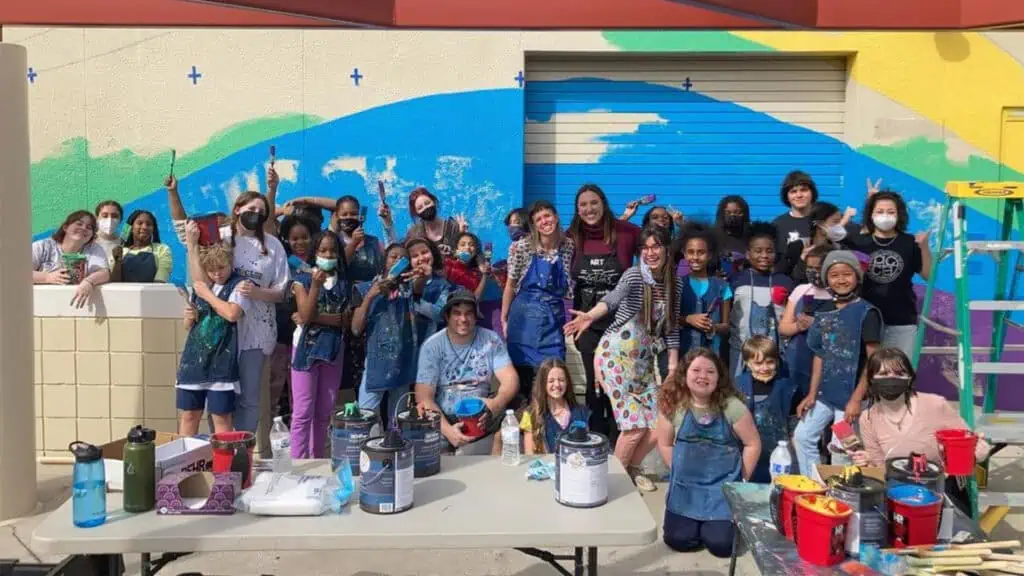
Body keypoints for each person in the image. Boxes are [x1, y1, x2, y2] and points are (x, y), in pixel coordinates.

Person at [564, 226, 682, 492]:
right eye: (646, 248)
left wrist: (672, 366)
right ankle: (613, 483)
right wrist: (590, 316)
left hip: (642, 360)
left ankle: (629, 469)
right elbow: (611, 300)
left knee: (659, 421)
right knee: (634, 428)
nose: (651, 253)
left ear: (667, 249)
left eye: (656, 246)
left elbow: (672, 327)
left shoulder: (675, 283)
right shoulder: (633, 276)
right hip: (615, 355)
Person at [183, 188, 289, 457]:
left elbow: (281, 291)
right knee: (220, 398)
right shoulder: (222, 237)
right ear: (237, 209)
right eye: (250, 209)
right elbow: (202, 280)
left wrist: (257, 293)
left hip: (256, 331)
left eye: (260, 211)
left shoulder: (273, 245)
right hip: (220, 332)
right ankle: (218, 455)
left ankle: (243, 453)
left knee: (250, 398)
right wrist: (193, 245)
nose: (255, 214)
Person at [852, 348, 990, 514]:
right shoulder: (867, 419)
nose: (891, 378)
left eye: (898, 373)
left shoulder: (935, 405)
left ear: (910, 377)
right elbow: (879, 468)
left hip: (941, 493)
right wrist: (866, 461)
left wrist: (978, 451)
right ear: (872, 379)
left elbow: (967, 443)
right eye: (883, 374)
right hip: (899, 496)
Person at [656, 348, 760, 558]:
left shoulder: (733, 407)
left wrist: (740, 481)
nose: (702, 376)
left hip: (721, 489)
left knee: (722, 546)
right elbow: (665, 444)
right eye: (696, 370)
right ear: (685, 374)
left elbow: (753, 444)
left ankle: (717, 525)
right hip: (686, 490)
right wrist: (678, 472)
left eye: (710, 372)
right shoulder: (673, 405)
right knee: (679, 540)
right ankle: (694, 525)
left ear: (719, 377)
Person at [793, 250, 882, 475]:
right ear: (826, 279)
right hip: (825, 394)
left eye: (847, 274)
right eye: (834, 275)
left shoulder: (867, 312)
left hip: (851, 400)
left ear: (857, 278)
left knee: (841, 449)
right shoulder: (823, 313)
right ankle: (814, 484)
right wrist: (812, 394)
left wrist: (855, 399)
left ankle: (840, 497)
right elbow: (820, 354)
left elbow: (874, 360)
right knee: (802, 436)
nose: (841, 280)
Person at [566, 183, 640, 445]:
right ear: (577, 210)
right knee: (593, 386)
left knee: (618, 384)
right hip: (586, 324)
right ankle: (596, 443)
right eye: (583, 205)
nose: (589, 209)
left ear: (604, 203)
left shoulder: (628, 232)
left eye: (594, 203)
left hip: (621, 325)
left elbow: (659, 254)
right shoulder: (570, 237)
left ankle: (622, 443)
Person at [415, 290, 520, 455]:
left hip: (481, 416)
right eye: (457, 313)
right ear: (447, 317)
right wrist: (449, 432)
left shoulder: (490, 340)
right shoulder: (432, 346)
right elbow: (423, 397)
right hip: (442, 419)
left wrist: (496, 404)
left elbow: (511, 379)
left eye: (468, 313)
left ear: (476, 316)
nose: (463, 319)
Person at [502, 200, 575, 398]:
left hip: (553, 317)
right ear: (533, 225)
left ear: (556, 217)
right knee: (523, 378)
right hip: (524, 319)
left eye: (547, 216)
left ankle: (552, 424)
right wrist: (504, 319)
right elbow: (510, 284)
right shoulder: (521, 248)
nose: (544, 221)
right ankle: (523, 423)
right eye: (539, 219)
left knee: (554, 375)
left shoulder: (568, 246)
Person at [176, 242, 249, 435]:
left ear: (230, 263)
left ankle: (223, 464)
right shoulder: (202, 289)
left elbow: (232, 314)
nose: (217, 274)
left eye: (221, 268)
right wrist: (189, 316)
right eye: (211, 270)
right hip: (194, 363)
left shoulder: (239, 284)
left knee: (221, 417)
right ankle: (184, 462)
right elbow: (188, 326)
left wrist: (207, 295)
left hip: (221, 365)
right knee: (189, 415)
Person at [848, 190, 931, 357]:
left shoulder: (909, 242)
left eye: (890, 212)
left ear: (899, 215)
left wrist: (924, 247)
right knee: (868, 374)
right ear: (871, 215)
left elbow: (928, 275)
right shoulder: (860, 242)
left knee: (900, 373)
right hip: (866, 319)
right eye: (879, 211)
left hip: (902, 320)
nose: (885, 216)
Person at [290, 231, 350, 458]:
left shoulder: (344, 283)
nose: (328, 254)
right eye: (323, 250)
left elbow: (346, 320)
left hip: (333, 350)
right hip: (306, 350)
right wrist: (315, 287)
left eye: (333, 250)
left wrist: (318, 317)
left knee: (324, 411)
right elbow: (305, 316)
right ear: (315, 252)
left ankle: (317, 460)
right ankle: (298, 463)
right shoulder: (301, 280)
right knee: (303, 411)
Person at [352, 243, 418, 424]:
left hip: (403, 363)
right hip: (376, 364)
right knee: (366, 415)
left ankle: (396, 449)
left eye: (403, 259)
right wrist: (371, 296)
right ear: (384, 261)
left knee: (398, 418)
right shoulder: (366, 288)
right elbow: (356, 328)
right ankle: (367, 449)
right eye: (393, 256)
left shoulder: (411, 290)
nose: (398, 261)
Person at [728, 222, 793, 377]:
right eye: (758, 251)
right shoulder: (736, 280)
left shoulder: (784, 281)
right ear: (748, 254)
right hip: (740, 351)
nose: (764, 256)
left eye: (769, 251)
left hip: (774, 352)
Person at [270, 215, 316, 424]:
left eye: (304, 237)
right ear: (286, 240)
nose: (300, 243)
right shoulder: (281, 262)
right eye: (294, 238)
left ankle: (302, 426)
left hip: (309, 336)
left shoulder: (320, 263)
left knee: (301, 386)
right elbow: (267, 224)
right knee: (275, 383)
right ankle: (269, 431)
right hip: (281, 331)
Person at [779, 244, 833, 409]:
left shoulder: (839, 293)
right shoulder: (801, 290)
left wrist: (815, 325)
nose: (814, 272)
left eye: (818, 268)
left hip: (827, 360)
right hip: (798, 358)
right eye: (810, 268)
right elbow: (783, 328)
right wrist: (798, 326)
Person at [735, 336, 795, 482]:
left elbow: (793, 419)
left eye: (770, 362)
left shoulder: (787, 387)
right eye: (758, 363)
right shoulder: (738, 385)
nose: (764, 368)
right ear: (748, 363)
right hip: (745, 451)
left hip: (776, 451)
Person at [32, 210, 111, 309]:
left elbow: (104, 272)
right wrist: (47, 277)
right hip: (42, 306)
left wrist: (89, 282)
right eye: (79, 224)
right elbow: (18, 273)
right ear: (65, 227)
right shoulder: (43, 246)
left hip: (76, 307)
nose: (83, 228)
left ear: (92, 235)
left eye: (89, 227)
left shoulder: (94, 248)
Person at [677, 223, 732, 361]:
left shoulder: (722, 287)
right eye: (690, 252)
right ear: (684, 253)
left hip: (712, 356)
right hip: (683, 355)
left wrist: (714, 327)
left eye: (701, 252)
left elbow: (726, 326)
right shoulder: (677, 284)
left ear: (710, 255)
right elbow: (669, 319)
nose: (695, 257)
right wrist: (688, 319)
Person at [519, 358, 590, 455]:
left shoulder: (582, 412)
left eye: (561, 380)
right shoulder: (530, 415)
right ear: (543, 383)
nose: (557, 384)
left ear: (567, 382)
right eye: (551, 381)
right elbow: (529, 455)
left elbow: (588, 448)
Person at [777, 201, 849, 282]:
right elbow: (786, 277)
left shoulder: (840, 248)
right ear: (819, 223)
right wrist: (803, 259)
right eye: (835, 222)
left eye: (840, 222)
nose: (839, 226)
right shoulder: (797, 246)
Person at [445, 232, 501, 331]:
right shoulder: (448, 264)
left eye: (471, 245)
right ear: (456, 250)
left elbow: (475, 299)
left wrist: (484, 274)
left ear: (475, 252)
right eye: (462, 245)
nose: (467, 248)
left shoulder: (475, 275)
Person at [388, 187, 467, 256]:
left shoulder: (454, 227)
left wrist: (463, 235)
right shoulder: (414, 233)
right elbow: (398, 252)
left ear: (434, 202)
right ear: (417, 214)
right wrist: (387, 221)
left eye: (427, 203)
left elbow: (470, 257)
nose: (425, 208)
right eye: (420, 208)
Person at [405, 237, 454, 346]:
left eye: (425, 252)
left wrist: (416, 302)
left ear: (433, 254)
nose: (421, 258)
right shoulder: (403, 282)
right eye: (415, 256)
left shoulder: (442, 285)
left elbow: (441, 315)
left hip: (429, 343)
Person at [112, 209, 172, 283]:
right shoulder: (121, 251)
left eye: (149, 224)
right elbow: (114, 283)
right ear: (130, 228)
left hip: (152, 293)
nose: (144, 227)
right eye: (140, 223)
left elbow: (160, 281)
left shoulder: (162, 249)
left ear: (153, 229)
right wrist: (118, 261)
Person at [772, 170, 819, 248]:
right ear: (787, 197)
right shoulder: (777, 225)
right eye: (793, 191)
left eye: (804, 190)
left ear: (812, 193)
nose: (799, 195)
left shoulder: (823, 220)